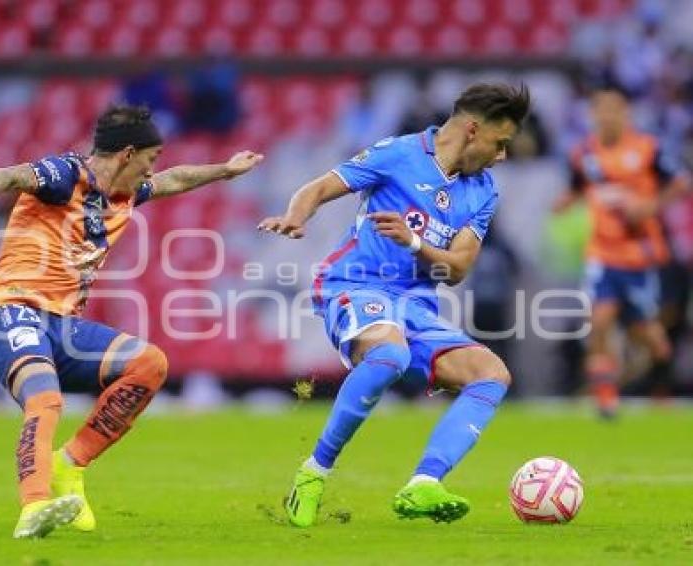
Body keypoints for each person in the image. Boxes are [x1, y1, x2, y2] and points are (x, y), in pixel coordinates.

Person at [0, 105, 262, 538]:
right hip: (11, 311)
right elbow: (7, 174)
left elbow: (176, 180)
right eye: (150, 159)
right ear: (128, 153)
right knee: (45, 400)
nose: (154, 169)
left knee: (149, 364)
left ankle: (69, 464)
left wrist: (225, 170)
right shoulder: (65, 176)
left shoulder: (125, 193)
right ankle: (34, 505)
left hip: (63, 327)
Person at [259, 83, 530, 527]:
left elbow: (458, 267)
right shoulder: (398, 153)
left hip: (416, 305)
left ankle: (424, 482)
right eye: (499, 144)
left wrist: (414, 241)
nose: (501, 156)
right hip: (354, 284)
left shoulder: (483, 190)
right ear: (472, 130)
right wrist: (295, 217)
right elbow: (319, 188)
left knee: (492, 374)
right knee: (390, 353)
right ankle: (314, 472)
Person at [554, 88, 691, 418]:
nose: (607, 117)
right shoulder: (583, 154)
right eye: (601, 111)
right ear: (593, 116)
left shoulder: (647, 149)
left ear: (626, 114)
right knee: (599, 321)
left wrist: (650, 206)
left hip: (640, 256)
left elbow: (681, 183)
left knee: (651, 338)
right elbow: (576, 189)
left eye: (614, 110)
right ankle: (606, 398)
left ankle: (662, 389)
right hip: (602, 254)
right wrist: (562, 206)